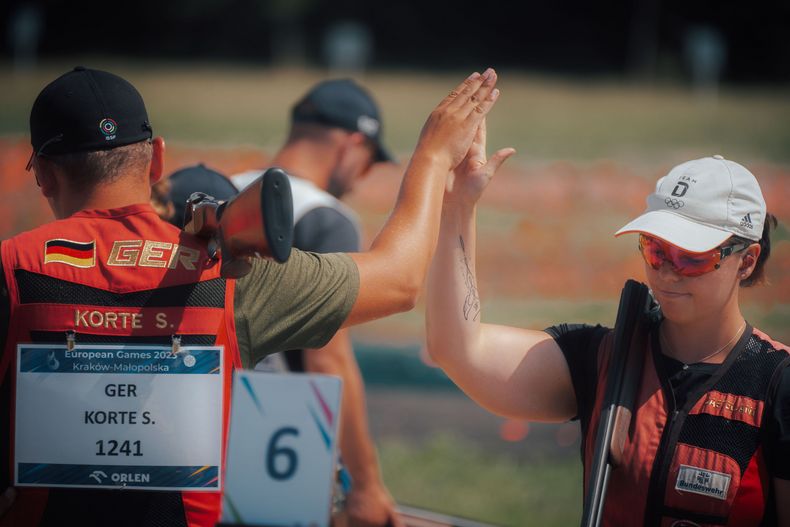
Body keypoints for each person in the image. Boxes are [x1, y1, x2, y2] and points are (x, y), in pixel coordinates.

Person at [0, 65, 501, 527]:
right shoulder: (227, 275)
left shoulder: (10, 269)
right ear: (156, 161)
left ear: (43, 173)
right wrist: (434, 157)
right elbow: (400, 280)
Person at [425, 136, 790, 526]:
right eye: (656, 249)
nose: (667, 270)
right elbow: (458, 349)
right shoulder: (603, 358)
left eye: (691, 256)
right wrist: (457, 206)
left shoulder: (777, 383)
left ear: (747, 261)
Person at [232, 79, 400, 527]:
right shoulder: (326, 219)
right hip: (277, 443)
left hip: (197, 425)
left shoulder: (224, 193)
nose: (364, 177)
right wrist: (365, 484)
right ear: (353, 144)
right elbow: (329, 361)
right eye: (369, 162)